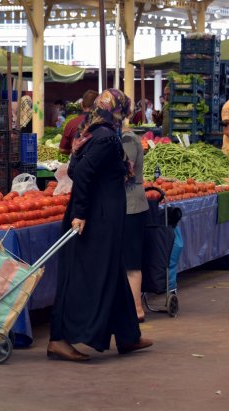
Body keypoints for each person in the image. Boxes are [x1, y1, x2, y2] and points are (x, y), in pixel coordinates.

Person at [48, 88, 153, 362]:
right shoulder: (106, 138)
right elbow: (82, 173)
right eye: (123, 111)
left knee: (113, 274)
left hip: (98, 214)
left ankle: (128, 336)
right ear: (115, 110)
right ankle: (60, 339)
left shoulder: (90, 132)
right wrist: (81, 213)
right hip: (97, 219)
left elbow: (73, 169)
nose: (124, 117)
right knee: (87, 277)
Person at [121, 113, 150, 322]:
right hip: (123, 205)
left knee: (131, 261)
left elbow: (126, 170)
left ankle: (137, 309)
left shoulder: (128, 138)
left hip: (132, 204)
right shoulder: (118, 138)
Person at [59, 90, 98, 155]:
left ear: (82, 105)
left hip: (77, 162)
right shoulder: (106, 124)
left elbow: (62, 150)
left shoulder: (72, 123)